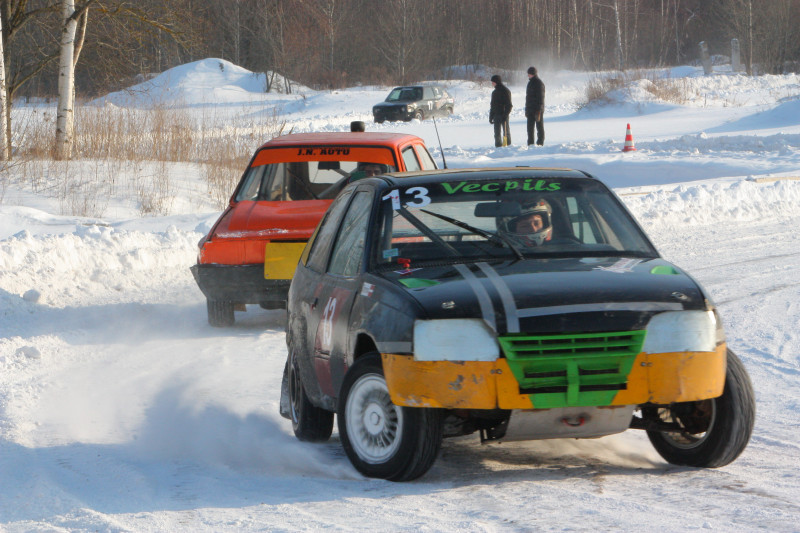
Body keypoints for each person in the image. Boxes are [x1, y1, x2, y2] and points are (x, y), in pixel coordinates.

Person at [489, 74, 513, 147]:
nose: (492, 83)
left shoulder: (505, 91)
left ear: (497, 82)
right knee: (497, 133)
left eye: (493, 82)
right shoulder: (494, 92)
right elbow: (492, 105)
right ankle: (498, 147)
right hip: (496, 115)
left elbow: (509, 105)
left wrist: (505, 115)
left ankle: (507, 146)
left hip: (504, 115)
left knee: (506, 132)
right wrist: (491, 116)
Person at [525, 66, 545, 146]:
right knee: (530, 128)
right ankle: (530, 144)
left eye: (529, 74)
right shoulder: (530, 83)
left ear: (532, 74)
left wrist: (539, 110)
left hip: (537, 110)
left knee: (539, 127)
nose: (528, 75)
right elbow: (528, 97)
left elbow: (541, 97)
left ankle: (540, 143)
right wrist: (527, 109)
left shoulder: (539, 83)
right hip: (530, 109)